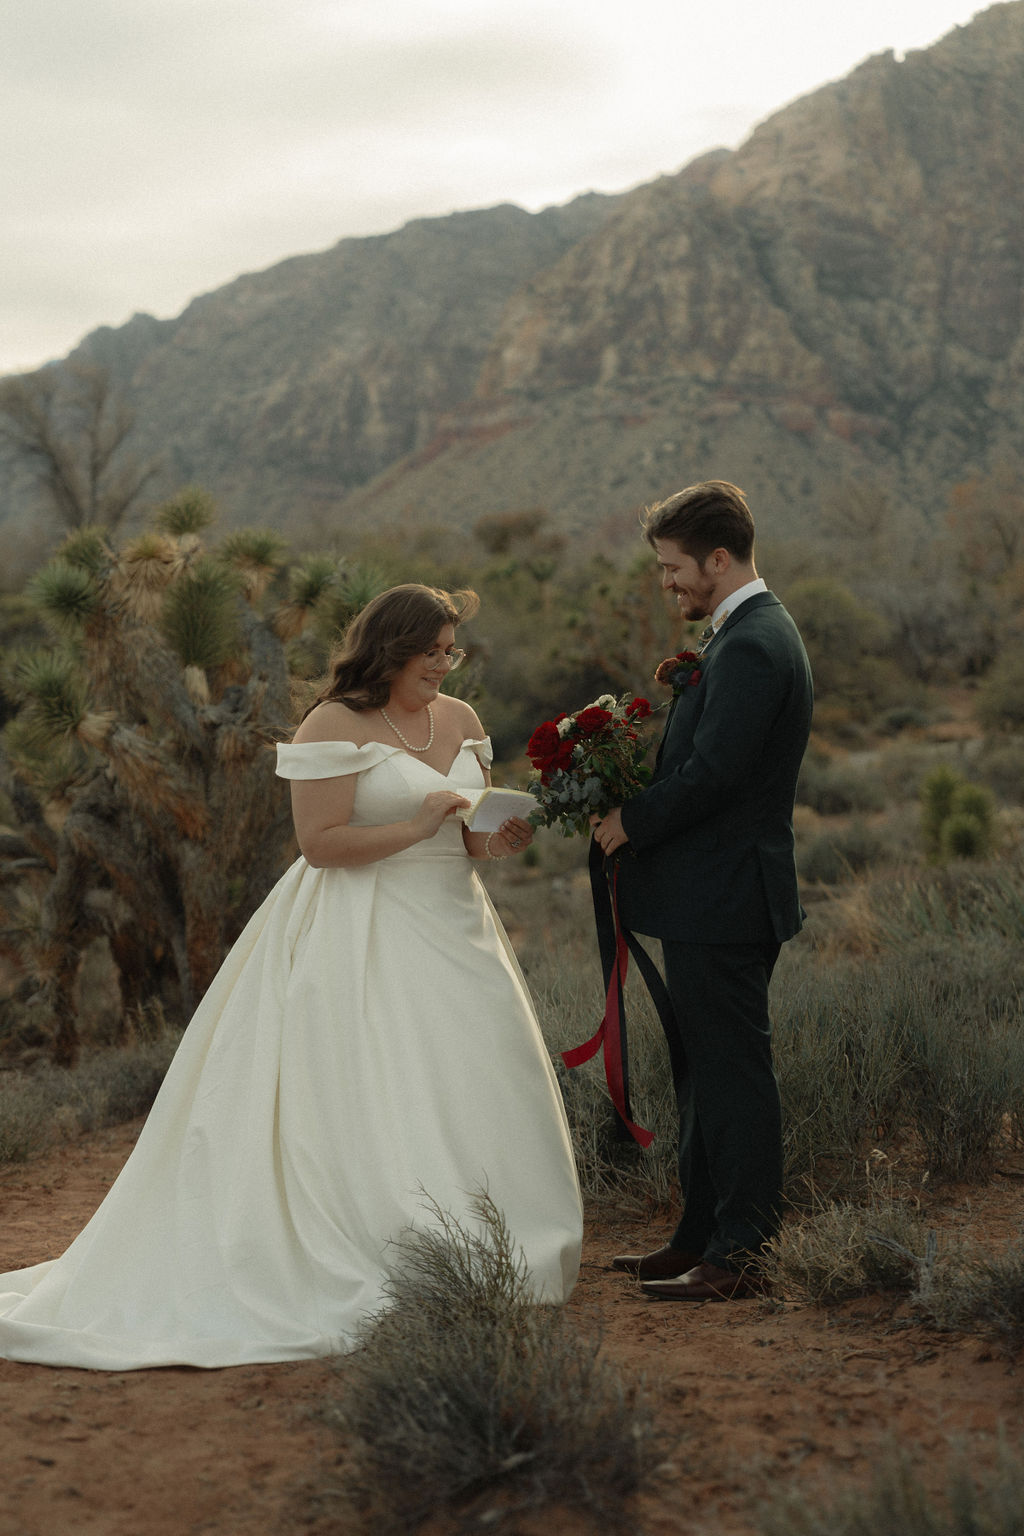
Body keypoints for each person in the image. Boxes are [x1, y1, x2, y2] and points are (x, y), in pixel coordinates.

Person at [0, 583, 582, 1368]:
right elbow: (320, 844)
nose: (446, 665)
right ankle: (374, 1240)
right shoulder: (333, 723)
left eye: (454, 651)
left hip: (456, 928)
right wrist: (414, 826)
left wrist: (499, 841)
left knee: (469, 1075)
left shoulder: (465, 723)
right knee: (370, 1084)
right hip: (359, 927)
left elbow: (470, 839)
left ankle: (480, 1238)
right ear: (391, 650)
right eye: (433, 652)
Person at [591, 481, 812, 1301]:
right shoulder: (738, 634)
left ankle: (744, 1250)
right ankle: (699, 1235)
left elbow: (717, 774)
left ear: (719, 559)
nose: (667, 582)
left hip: (725, 899)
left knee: (732, 1074)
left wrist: (631, 822)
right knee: (701, 1073)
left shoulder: (754, 643)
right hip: (707, 896)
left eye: (673, 567)